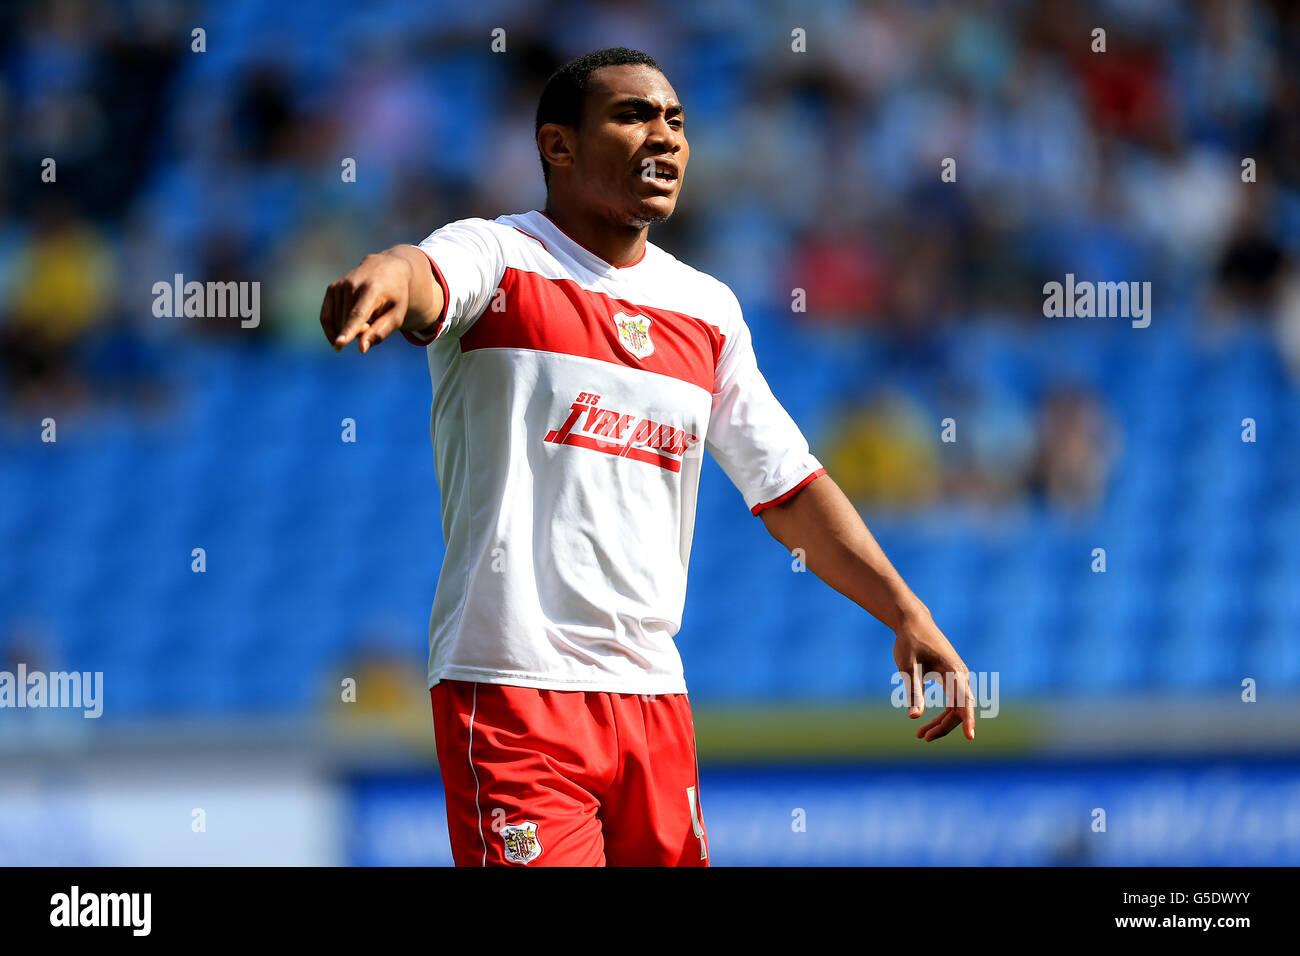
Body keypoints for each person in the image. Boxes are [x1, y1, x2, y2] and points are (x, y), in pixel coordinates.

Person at [319, 48, 975, 867]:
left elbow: (789, 486)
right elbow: (423, 273)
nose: (664, 136)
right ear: (558, 145)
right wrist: (383, 275)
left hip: (653, 700)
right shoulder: (500, 258)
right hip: (514, 687)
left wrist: (905, 611)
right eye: (633, 115)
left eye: (677, 121)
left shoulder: (706, 310)